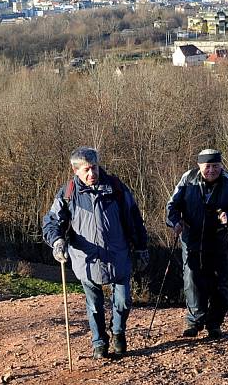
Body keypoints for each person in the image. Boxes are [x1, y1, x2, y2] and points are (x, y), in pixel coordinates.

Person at [42, 147, 148, 360]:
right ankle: (99, 342)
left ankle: (118, 332)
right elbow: (52, 222)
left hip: (119, 256)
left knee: (124, 301)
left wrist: (141, 247)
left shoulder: (117, 188)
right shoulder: (68, 193)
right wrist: (57, 241)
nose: (92, 174)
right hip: (87, 260)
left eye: (94, 168)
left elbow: (134, 218)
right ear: (76, 171)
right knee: (94, 305)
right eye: (86, 170)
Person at [166, 149, 228, 339]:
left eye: (215, 166)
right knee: (192, 279)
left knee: (220, 283)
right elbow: (172, 205)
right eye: (207, 166)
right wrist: (175, 222)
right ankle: (194, 322)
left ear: (221, 165)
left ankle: (214, 324)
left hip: (218, 239)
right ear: (199, 166)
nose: (211, 170)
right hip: (191, 238)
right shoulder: (188, 178)